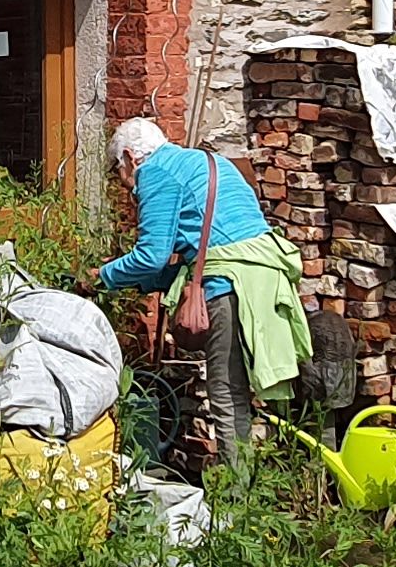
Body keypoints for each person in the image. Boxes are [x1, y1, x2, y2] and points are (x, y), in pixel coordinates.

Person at [94, 117, 305, 471]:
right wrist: (140, 281)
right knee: (260, 389)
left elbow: (152, 255)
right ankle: (282, 474)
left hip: (230, 286)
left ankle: (238, 493)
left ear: (129, 157)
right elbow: (201, 254)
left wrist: (104, 276)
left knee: (227, 391)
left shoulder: (155, 173)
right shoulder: (208, 161)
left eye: (119, 173)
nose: (125, 185)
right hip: (268, 281)